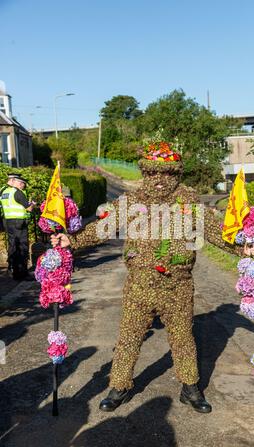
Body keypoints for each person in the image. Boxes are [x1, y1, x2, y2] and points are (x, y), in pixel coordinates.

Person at [50, 148, 213, 415]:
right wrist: (74, 240)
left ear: (176, 174)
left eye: (166, 172)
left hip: (178, 286)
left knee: (184, 337)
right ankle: (119, 386)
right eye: (152, 172)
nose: (159, 178)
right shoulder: (132, 200)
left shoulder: (189, 200)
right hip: (139, 285)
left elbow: (214, 230)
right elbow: (104, 226)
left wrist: (243, 246)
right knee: (128, 337)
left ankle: (190, 387)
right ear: (145, 173)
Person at [0, 174, 36, 280]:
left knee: (13, 246)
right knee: (22, 247)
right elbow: (29, 208)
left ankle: (14, 270)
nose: (23, 186)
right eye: (22, 184)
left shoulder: (4, 192)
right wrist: (33, 204)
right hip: (19, 223)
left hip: (8, 222)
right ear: (18, 183)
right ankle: (22, 273)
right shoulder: (18, 192)